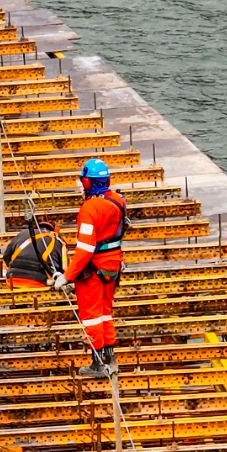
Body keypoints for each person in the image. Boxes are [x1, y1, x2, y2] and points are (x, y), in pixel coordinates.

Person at [52, 158, 126, 377]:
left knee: (92, 316)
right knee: (105, 312)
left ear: (87, 182)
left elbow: (85, 249)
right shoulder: (118, 200)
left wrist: (67, 276)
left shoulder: (89, 209)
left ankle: (97, 363)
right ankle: (111, 358)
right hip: (112, 265)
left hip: (93, 268)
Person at [1, 221, 65, 290]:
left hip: (13, 279)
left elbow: (6, 256)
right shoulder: (56, 240)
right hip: (38, 282)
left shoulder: (23, 233)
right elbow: (61, 269)